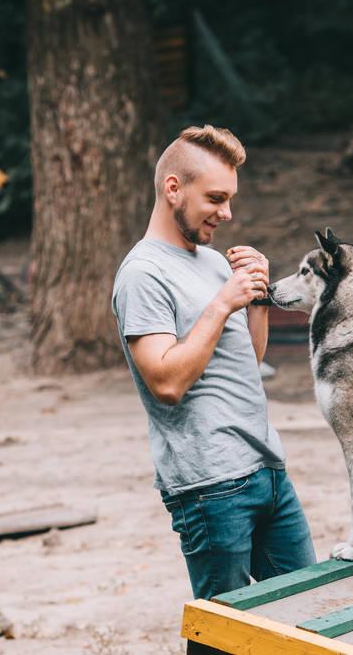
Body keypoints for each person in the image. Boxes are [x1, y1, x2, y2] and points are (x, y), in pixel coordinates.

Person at [111, 125, 316, 650]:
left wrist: (257, 301)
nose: (226, 214)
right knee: (223, 639)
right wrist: (223, 302)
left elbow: (244, 362)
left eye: (230, 200)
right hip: (209, 485)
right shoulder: (143, 274)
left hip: (266, 469)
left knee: (308, 616)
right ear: (173, 189)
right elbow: (166, 381)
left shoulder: (210, 262)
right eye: (216, 199)